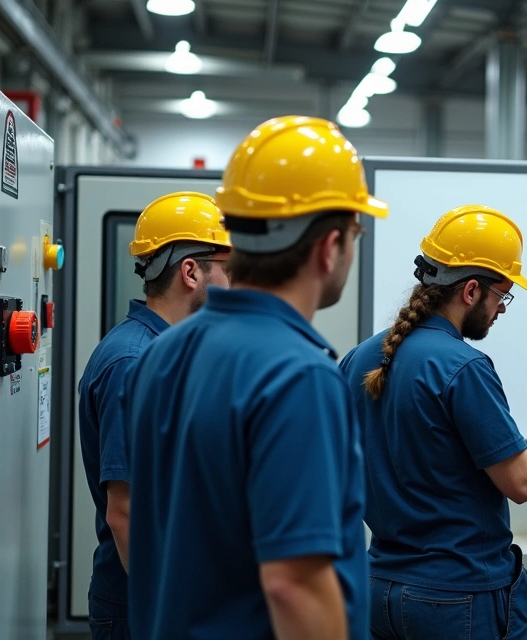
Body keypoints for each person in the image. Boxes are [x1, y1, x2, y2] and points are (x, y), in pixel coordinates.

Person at [123, 116, 385, 640]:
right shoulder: (298, 377)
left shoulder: (161, 353)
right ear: (330, 246)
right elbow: (295, 586)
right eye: (356, 234)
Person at [340, 204, 527, 640]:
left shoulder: (359, 358)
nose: (502, 309)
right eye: (502, 295)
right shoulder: (463, 367)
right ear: (471, 290)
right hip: (457, 595)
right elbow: (521, 481)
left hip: (380, 588)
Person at [76, 191, 231, 640]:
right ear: (191, 272)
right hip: (146, 608)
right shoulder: (134, 363)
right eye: (229, 271)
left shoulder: (169, 352)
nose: (234, 286)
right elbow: (125, 513)